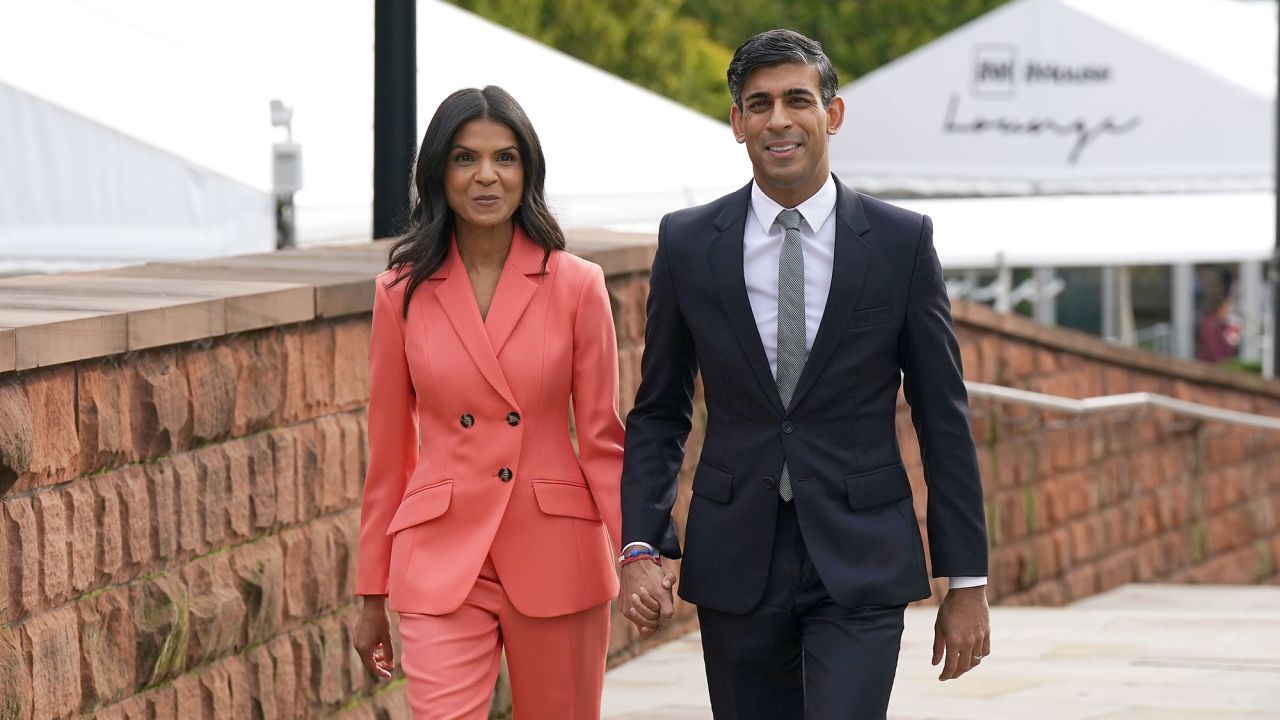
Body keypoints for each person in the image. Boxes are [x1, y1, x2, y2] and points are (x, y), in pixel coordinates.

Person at [617, 30, 991, 719]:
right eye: (758, 105)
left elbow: (943, 415)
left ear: (833, 114)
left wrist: (965, 579)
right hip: (736, 557)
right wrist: (642, 543)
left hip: (861, 557)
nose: (778, 120)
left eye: (797, 100)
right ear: (737, 123)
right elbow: (660, 411)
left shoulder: (902, 241)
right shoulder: (689, 243)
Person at [352, 86, 624, 719]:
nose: (485, 176)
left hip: (557, 552)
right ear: (437, 173)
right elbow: (389, 453)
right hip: (442, 556)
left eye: (505, 158)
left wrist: (637, 549)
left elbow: (603, 440)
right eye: (464, 158)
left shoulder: (577, 284)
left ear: (527, 171)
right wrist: (371, 591)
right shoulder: (400, 293)